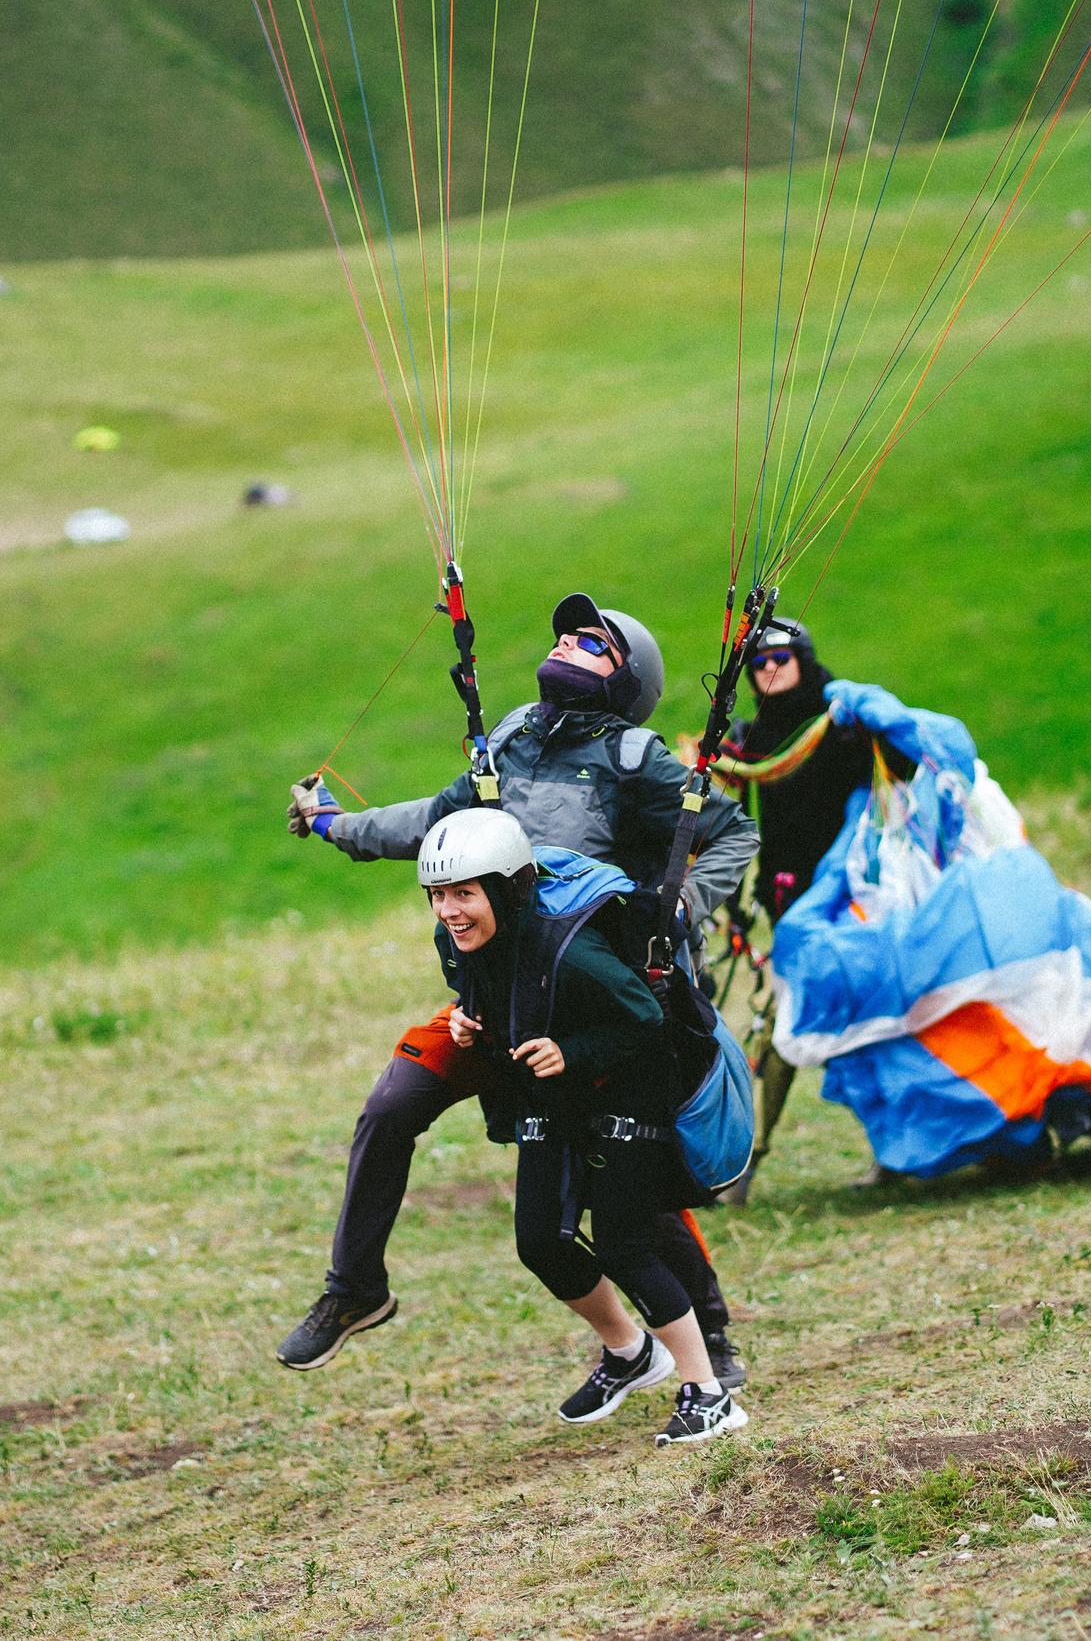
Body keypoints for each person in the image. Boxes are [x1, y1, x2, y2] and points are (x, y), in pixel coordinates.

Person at [274, 593, 760, 1384]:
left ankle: (707, 1341)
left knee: (620, 1167)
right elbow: (434, 824)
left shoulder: (637, 758)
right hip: (495, 1003)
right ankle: (356, 1287)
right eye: (564, 632)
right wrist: (336, 826)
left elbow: (730, 831)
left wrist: (673, 915)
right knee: (392, 1104)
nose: (568, 642)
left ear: (626, 677)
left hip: (592, 1003)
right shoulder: (509, 738)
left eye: (593, 642)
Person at [420, 809, 747, 1444]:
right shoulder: (457, 943)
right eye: (438, 895)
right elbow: (502, 1000)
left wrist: (574, 1051)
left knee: (624, 1242)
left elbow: (642, 1018)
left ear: (507, 890)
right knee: (539, 1241)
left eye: (464, 893)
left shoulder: (571, 951)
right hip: (554, 1092)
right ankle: (630, 1353)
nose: (449, 911)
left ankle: (708, 1393)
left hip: (628, 1086)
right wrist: (471, 1022)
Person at [714, 619, 875, 1201]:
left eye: (782, 658)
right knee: (783, 1021)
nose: (770, 669)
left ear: (803, 659)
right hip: (787, 901)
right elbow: (727, 826)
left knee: (867, 1017)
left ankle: (896, 1147)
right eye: (759, 664)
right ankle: (747, 1161)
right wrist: (733, 907)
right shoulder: (751, 737)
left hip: (854, 896)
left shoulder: (839, 725)